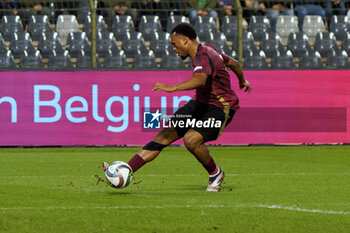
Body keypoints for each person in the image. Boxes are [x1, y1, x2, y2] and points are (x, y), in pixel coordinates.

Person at [102, 23, 252, 192]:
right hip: (199, 104)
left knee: (191, 140)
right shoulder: (208, 50)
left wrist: (172, 88)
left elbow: (201, 80)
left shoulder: (203, 56)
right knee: (164, 135)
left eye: (174, 44)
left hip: (221, 108)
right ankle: (125, 170)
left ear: (185, 40)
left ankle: (215, 173)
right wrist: (242, 80)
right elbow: (234, 63)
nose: (173, 48)